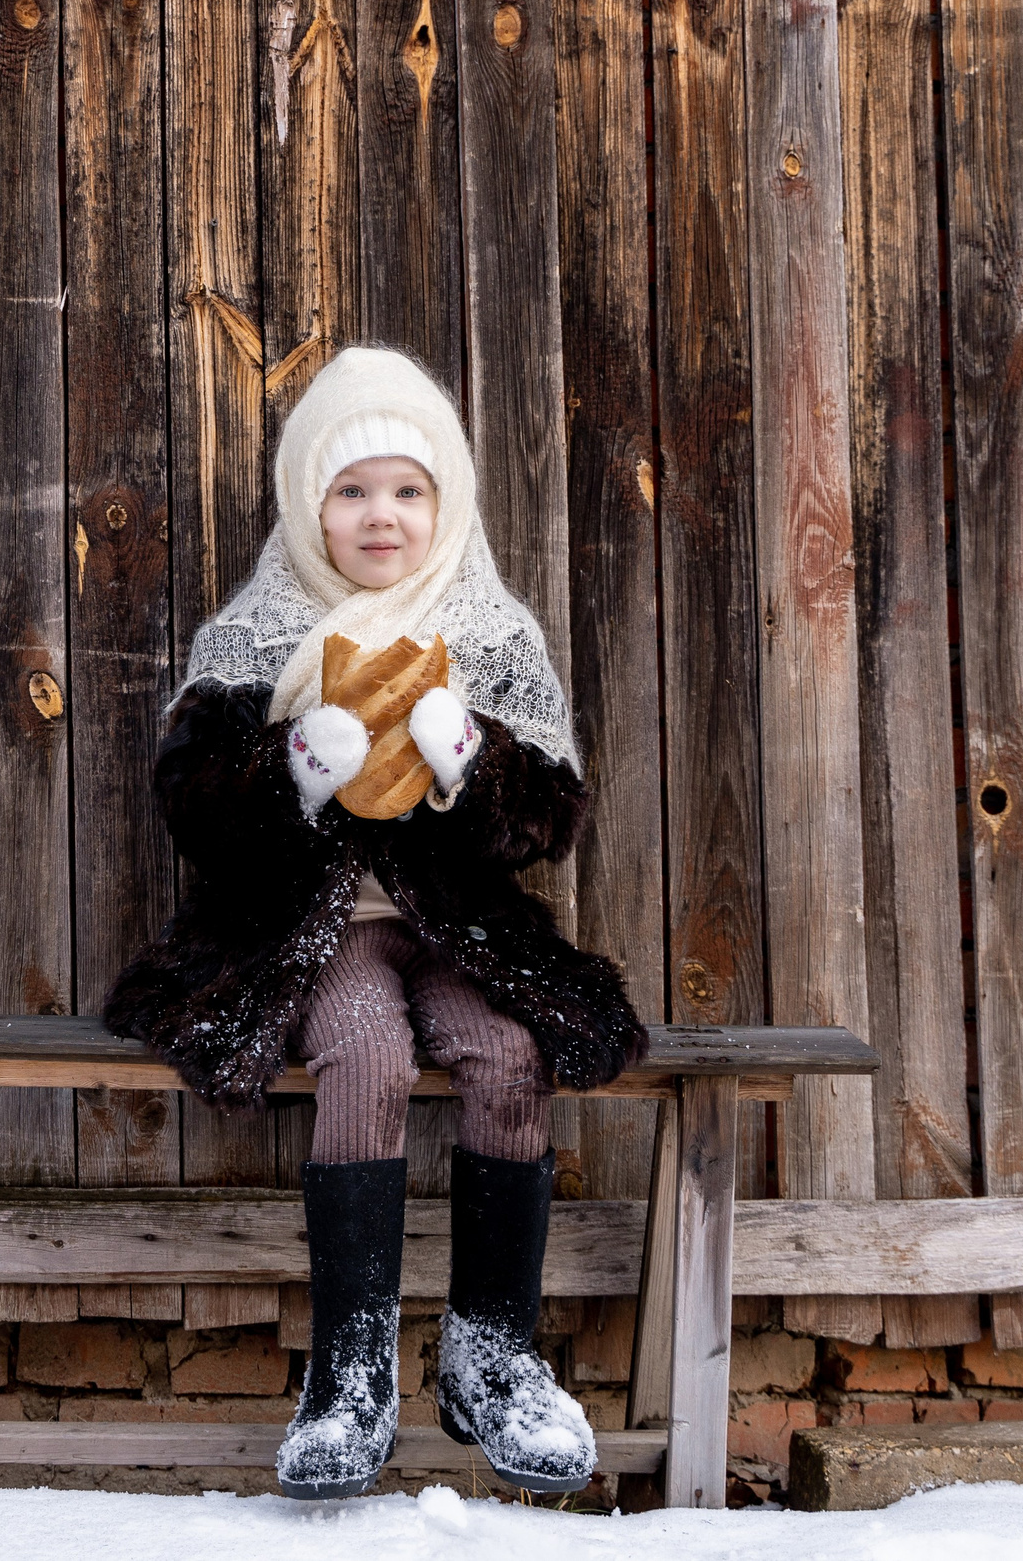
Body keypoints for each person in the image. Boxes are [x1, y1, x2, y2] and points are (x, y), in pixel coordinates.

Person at [106, 345, 646, 1500]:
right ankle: (347, 1377)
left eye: (406, 489)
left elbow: (549, 815)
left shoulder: (486, 633)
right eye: (350, 491)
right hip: (315, 927)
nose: (380, 516)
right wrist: (293, 764)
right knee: (368, 1048)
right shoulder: (258, 634)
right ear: (311, 505)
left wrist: (472, 760)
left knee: (508, 1050)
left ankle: (490, 1355)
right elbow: (188, 802)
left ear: (442, 503)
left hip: (454, 924)